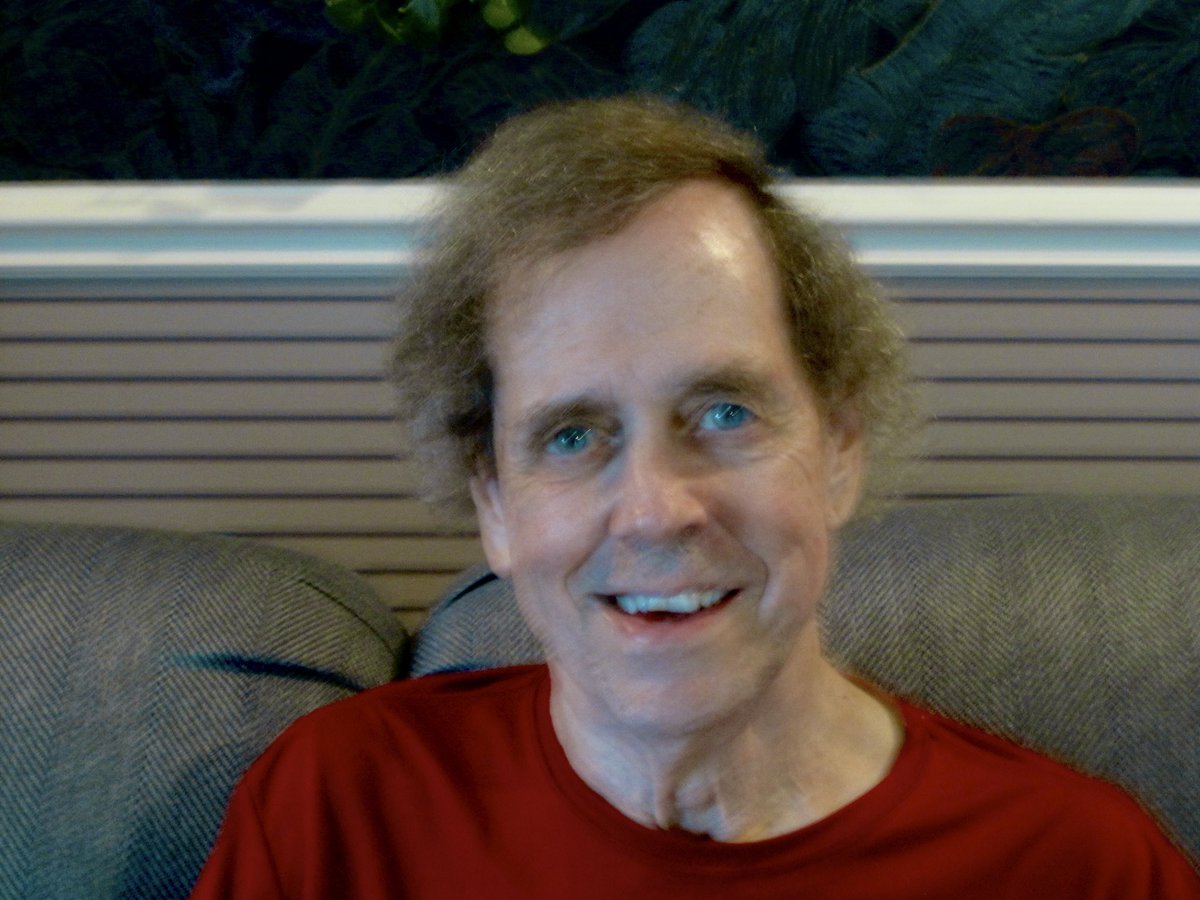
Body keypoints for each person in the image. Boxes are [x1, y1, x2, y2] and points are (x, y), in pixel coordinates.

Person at [191, 96, 1200, 898]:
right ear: (494, 505)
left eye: (723, 413)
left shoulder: (1080, 867)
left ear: (840, 449)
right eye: (573, 436)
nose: (655, 510)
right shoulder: (340, 807)